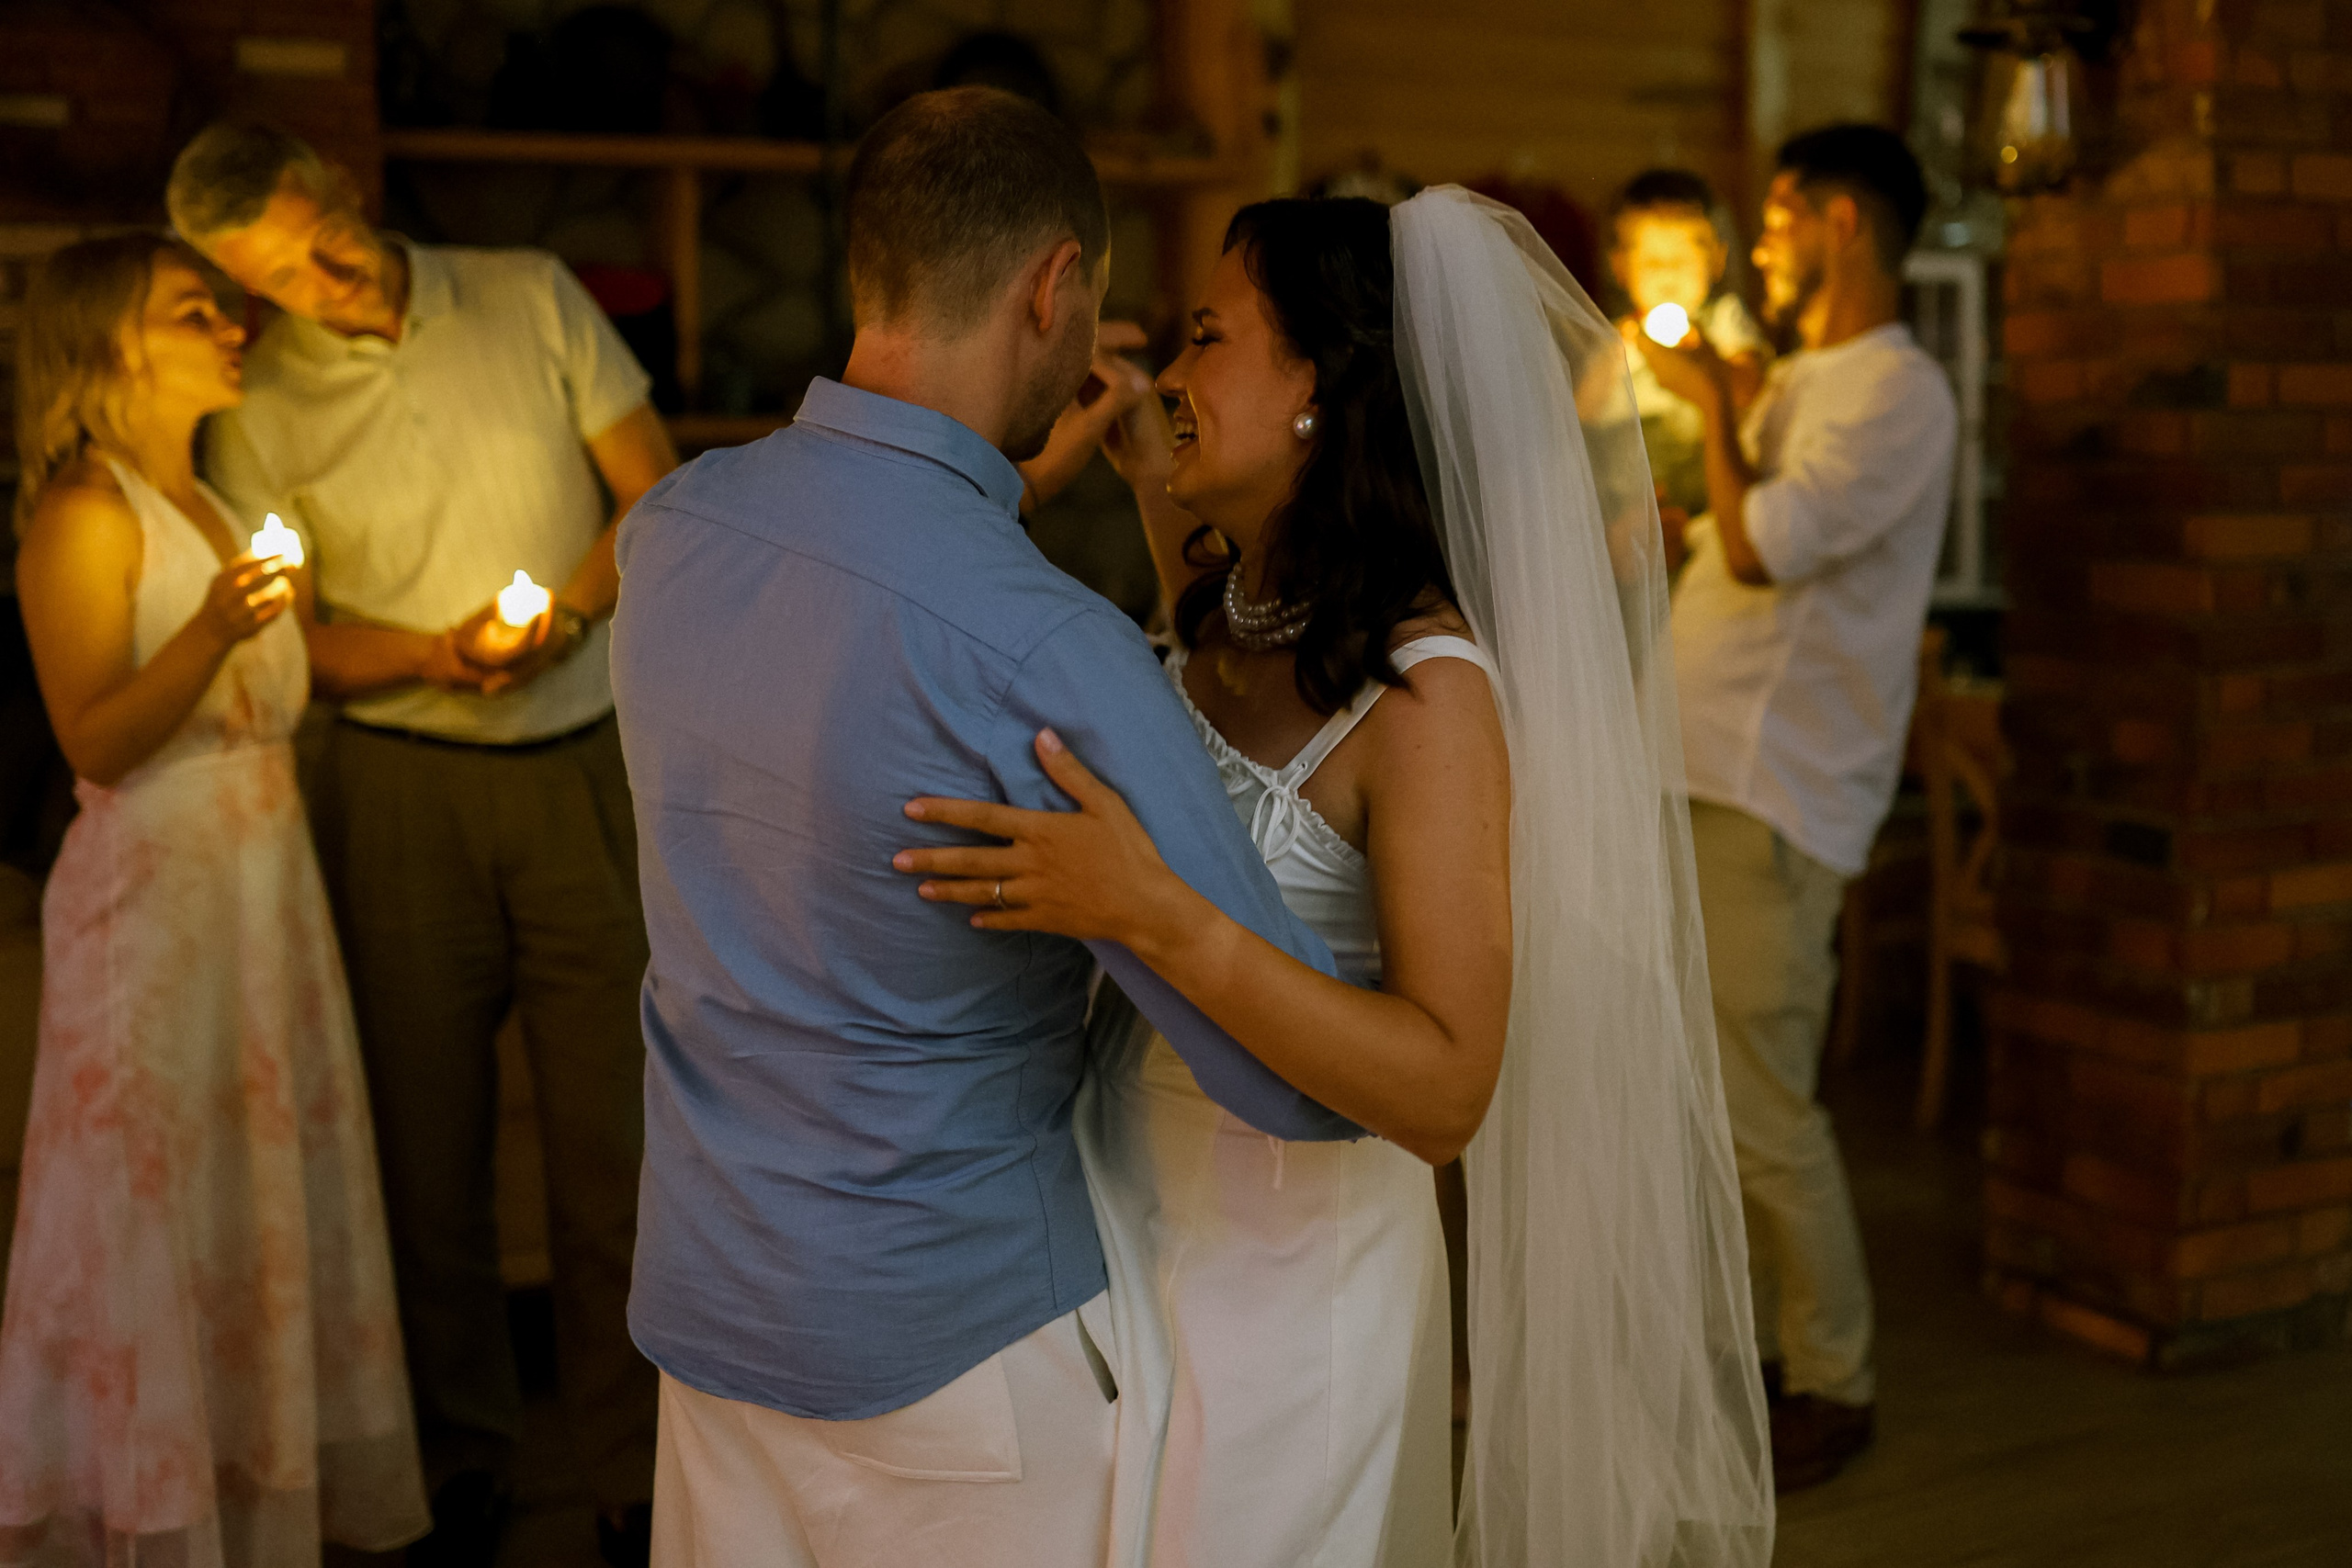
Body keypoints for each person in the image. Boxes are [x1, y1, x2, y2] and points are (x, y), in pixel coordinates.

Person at [896, 189, 1776, 1565]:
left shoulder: (1430, 701)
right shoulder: (1215, 625)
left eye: (1206, 339)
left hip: (1296, 1300)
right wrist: (1100, 474)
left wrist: (1150, 910)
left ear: (1323, 389)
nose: (1168, 377)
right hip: (1113, 1243)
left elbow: (1447, 1089)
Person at [605, 87, 1356, 1568]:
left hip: (707, 1303)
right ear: (1055, 286)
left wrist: (984, 503)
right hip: (952, 1348)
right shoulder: (1044, 645)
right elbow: (1284, 1083)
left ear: (867, 272)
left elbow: (851, 627)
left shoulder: (671, 531)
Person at [166, 121, 676, 1564]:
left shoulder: (530, 293)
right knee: (422, 1152)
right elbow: (292, 638)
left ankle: (636, 1476)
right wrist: (432, 658)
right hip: (394, 791)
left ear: (340, 185)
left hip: (582, 766)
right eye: (278, 277)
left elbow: (653, 494)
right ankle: (460, 1471)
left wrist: (564, 619)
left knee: (615, 1146)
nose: (323, 284)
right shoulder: (253, 394)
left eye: (319, 242)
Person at [0, 233, 429, 1565]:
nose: (233, 323)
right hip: (156, 909)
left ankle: (261, 1495)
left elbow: (283, 671)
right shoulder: (86, 513)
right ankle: (151, 1506)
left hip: (262, 897)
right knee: (153, 1200)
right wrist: (210, 632)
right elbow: (95, 740)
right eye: (197, 309)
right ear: (111, 339)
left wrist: (439, 652)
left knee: (259, 1190)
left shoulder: (219, 505)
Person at [1628, 123, 1959, 1492]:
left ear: (1838, 222)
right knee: (1715, 1102)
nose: (1757, 246)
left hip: (1774, 789)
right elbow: (1725, 534)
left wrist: (1712, 405)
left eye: (1774, 218)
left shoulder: (1899, 392)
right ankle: (1773, 1347)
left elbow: (1764, 548)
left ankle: (1838, 1372)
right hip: (1702, 772)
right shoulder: (1804, 379)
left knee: (1766, 1107)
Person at [1605, 168, 1769, 522]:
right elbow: (1580, 416)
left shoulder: (1724, 321)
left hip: (1713, 495)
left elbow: (1750, 390)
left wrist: (1704, 362)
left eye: (1682, 260)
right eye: (1652, 262)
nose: (1667, 275)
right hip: (1639, 499)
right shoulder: (1615, 339)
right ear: (1620, 267)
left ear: (1716, 260)